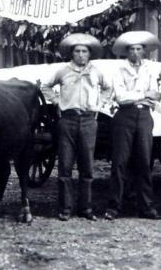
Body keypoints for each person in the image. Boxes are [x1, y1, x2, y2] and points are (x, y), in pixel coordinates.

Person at [41, 34, 112, 221]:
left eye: (84, 51)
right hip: (67, 120)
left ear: (89, 54)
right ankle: (65, 208)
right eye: (77, 51)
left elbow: (108, 88)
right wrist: (57, 101)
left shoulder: (96, 71)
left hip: (89, 120)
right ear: (72, 54)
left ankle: (85, 208)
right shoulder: (63, 71)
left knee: (87, 166)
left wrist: (100, 104)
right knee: (65, 166)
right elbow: (45, 86)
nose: (81, 55)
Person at [104, 31, 161, 221]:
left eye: (139, 49)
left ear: (144, 52)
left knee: (144, 161)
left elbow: (155, 95)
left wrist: (144, 95)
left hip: (144, 116)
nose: (135, 53)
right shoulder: (119, 70)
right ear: (126, 52)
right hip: (125, 116)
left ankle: (146, 206)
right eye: (132, 49)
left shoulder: (149, 70)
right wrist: (143, 95)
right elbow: (121, 97)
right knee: (120, 161)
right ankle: (114, 206)